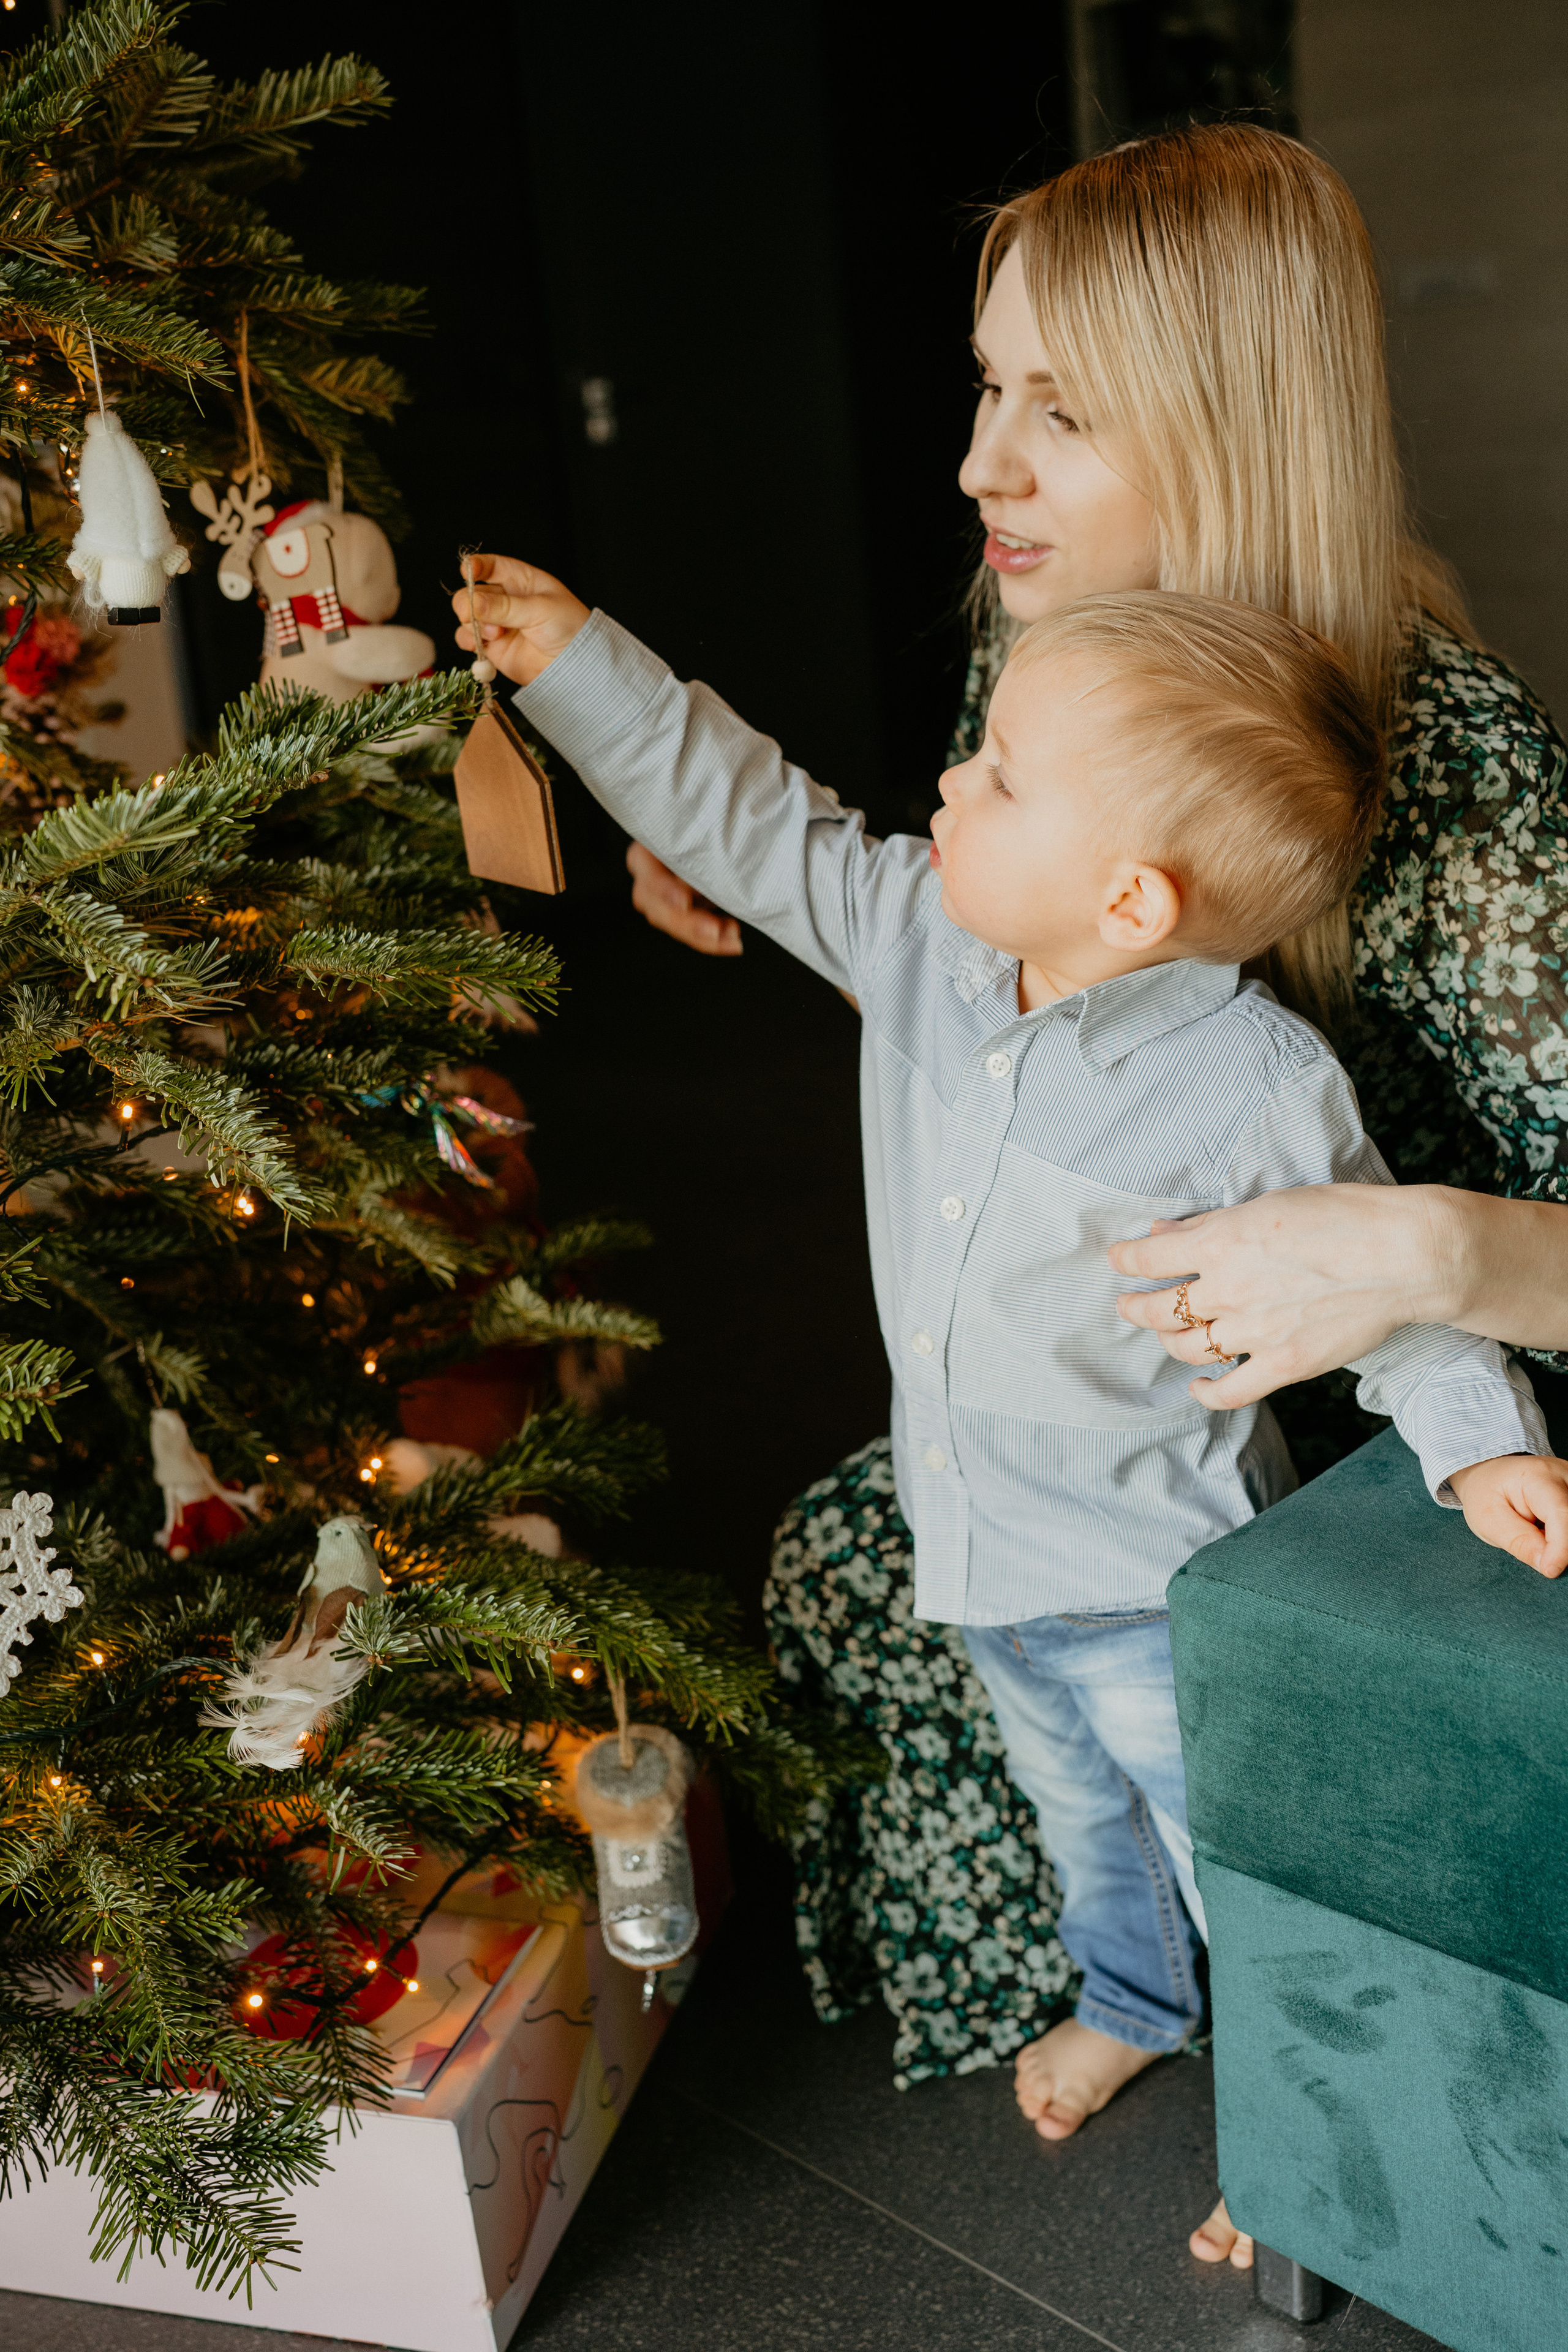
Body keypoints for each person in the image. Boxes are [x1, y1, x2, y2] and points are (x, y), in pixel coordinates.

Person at [606, 121, 1568, 2268]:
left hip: (1445, 1395)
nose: (977, 464)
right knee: (883, 1579)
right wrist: (797, 883)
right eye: (983, 387)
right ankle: (1136, 1996)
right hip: (1137, 1389)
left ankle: (1323, 2105)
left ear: (1227, 437)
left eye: (1059, 407)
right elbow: (964, 914)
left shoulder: (1471, 785)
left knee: (1234, 1753)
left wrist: (1443, 1269)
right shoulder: (1045, 653)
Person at [458, 540, 1568, 2225]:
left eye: (996, 776)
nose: (945, 783)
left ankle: (1296, 2144)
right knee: (1074, 1818)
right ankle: (1130, 2002)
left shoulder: (1252, 1084)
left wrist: (1483, 1453)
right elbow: (757, 820)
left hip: (1149, 1573)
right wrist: (576, 662)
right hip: (978, 1551)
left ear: (1128, 899)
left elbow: (1390, 1294)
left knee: (1224, 1858)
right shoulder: (925, 935)